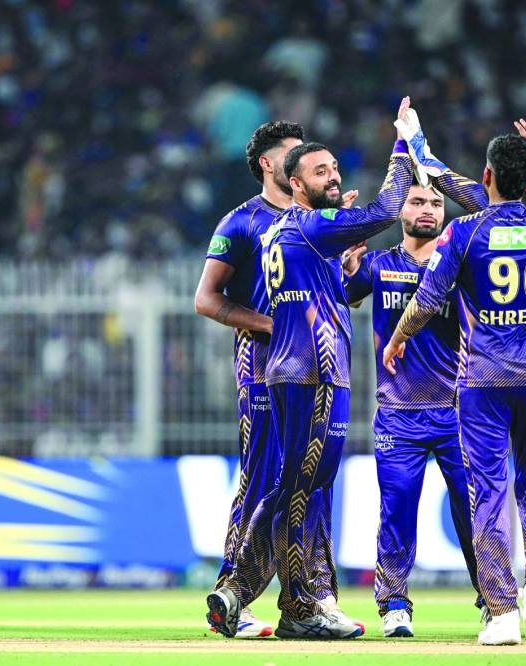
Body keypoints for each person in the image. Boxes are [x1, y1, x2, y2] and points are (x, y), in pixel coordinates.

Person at [383, 120, 526, 645]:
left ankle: (502, 612)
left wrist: (398, 337)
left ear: (486, 176)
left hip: (482, 381)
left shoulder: (463, 231)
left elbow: (428, 300)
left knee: (488, 489)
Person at [206, 97, 415, 640]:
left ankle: (278, 594)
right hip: (297, 367)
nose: (331, 175)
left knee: (300, 484)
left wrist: (344, 258)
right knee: (286, 484)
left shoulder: (295, 226)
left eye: (331, 166)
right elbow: (385, 209)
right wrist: (405, 144)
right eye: (317, 168)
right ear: (286, 176)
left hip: (293, 365)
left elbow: (332, 293)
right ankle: (266, 595)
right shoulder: (282, 223)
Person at [195, 120, 339, 638]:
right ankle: (233, 594)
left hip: (317, 366)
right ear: (268, 164)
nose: (304, 161)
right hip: (261, 365)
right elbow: (205, 299)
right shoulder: (241, 222)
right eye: (294, 154)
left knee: (313, 482)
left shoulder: (318, 221)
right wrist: (272, 325)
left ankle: (314, 596)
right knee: (260, 479)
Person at [343, 182, 485, 638]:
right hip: (398, 414)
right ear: (400, 212)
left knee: (474, 511)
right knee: (397, 509)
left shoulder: (460, 265)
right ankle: (394, 605)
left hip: (457, 411)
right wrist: (347, 267)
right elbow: (347, 294)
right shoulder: (380, 264)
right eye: (417, 201)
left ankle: (494, 600)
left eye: (436, 203)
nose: (428, 209)